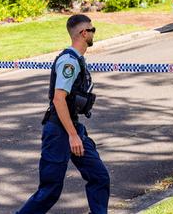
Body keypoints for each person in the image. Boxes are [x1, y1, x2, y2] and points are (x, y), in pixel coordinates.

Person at [18, 14, 110, 214]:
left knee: (99, 176)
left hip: (73, 127)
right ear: (84, 33)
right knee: (50, 190)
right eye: (92, 30)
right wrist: (72, 135)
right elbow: (59, 99)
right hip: (60, 132)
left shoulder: (78, 59)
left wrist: (75, 133)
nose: (94, 33)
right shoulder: (69, 62)